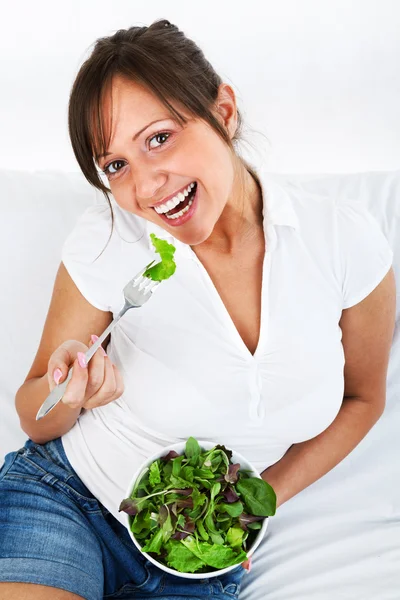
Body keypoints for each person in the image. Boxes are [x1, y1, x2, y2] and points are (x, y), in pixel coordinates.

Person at [0, 18, 396, 600]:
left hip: (198, 552)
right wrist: (71, 391)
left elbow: (364, 399)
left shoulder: (342, 241)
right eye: (115, 166)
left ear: (224, 112)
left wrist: (254, 509)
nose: (147, 186)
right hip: (67, 498)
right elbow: (35, 413)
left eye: (158, 138)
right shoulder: (111, 239)